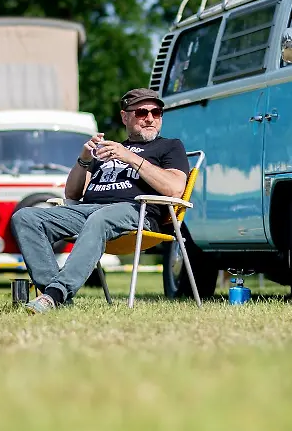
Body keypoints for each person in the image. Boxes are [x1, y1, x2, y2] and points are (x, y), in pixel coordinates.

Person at [10, 88, 189, 314]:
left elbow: (174, 189)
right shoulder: (109, 150)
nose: (150, 118)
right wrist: (84, 159)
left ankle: (54, 295)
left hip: (137, 212)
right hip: (89, 210)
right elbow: (73, 194)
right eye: (142, 112)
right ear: (125, 116)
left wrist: (130, 157)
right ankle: (55, 297)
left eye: (157, 112)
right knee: (25, 217)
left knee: (100, 217)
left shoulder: (169, 146)